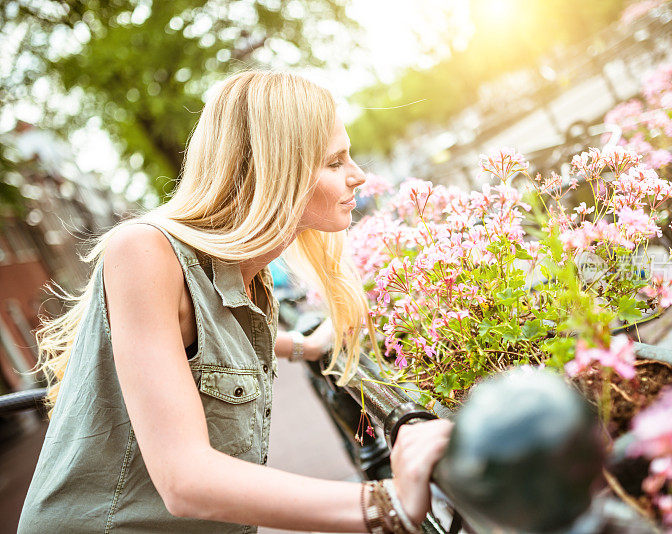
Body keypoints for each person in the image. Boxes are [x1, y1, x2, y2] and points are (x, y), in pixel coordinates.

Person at [19, 70, 453, 533]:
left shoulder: (250, 276)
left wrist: (300, 345)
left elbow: (202, 347)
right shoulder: (143, 250)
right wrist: (387, 504)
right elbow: (185, 481)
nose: (358, 174)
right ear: (275, 172)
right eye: (334, 161)